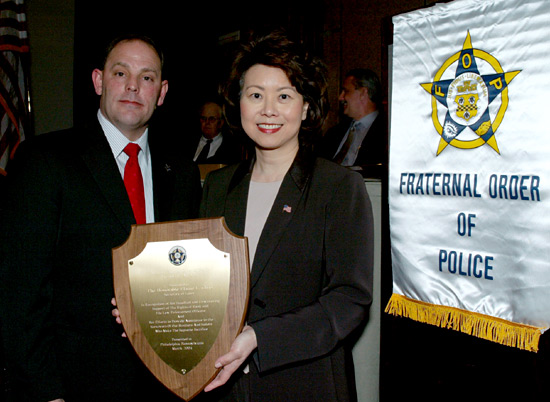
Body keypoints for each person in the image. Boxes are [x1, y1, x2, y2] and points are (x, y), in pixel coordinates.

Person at [0, 34, 202, 401]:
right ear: (98, 80)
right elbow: (19, 293)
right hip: (75, 386)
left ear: (162, 91)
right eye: (120, 72)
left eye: (147, 77)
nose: (132, 87)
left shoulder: (183, 173)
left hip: (167, 385)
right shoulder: (45, 160)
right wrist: (46, 392)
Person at [197, 30, 374, 401]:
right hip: (223, 386)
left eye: (284, 96)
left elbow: (349, 300)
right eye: (255, 95)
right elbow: (202, 282)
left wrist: (261, 338)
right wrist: (150, 303)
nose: (268, 110)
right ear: (238, 103)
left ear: (306, 107)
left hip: (306, 383)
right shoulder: (217, 187)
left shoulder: (338, 187)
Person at [318, 68, 387, 168]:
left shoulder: (386, 134)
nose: (340, 97)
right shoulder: (334, 133)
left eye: (345, 91)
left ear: (363, 93)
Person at [192, 99, 242, 164]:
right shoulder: (187, 143)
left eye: (212, 119)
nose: (207, 123)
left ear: (221, 123)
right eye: (204, 118)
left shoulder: (232, 147)